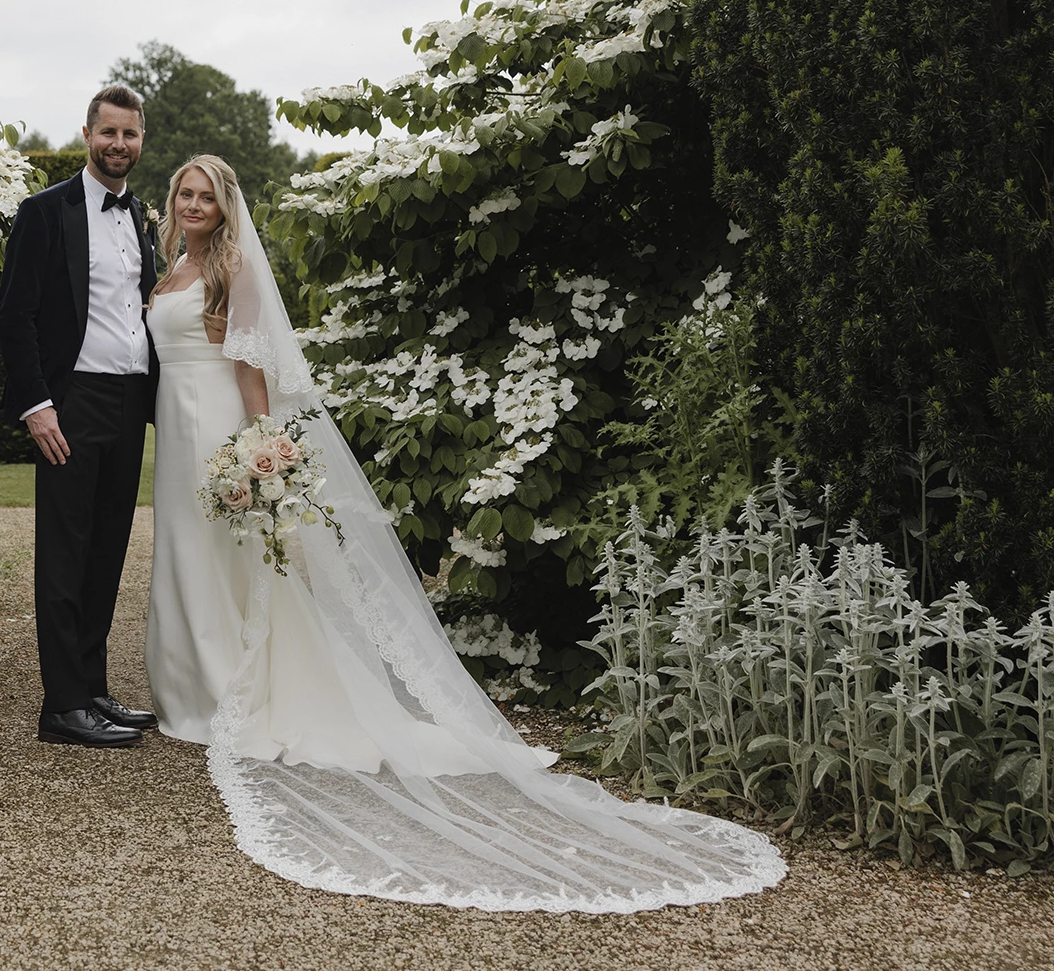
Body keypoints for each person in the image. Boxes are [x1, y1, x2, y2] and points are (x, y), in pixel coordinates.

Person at [142, 152, 789, 911]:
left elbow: (252, 370)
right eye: (184, 194)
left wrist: (265, 450)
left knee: (233, 561)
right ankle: (184, 686)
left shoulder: (232, 268)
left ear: (225, 206)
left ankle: (228, 693)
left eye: (205, 196)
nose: (192, 205)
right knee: (184, 556)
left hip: (222, 430)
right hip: (174, 432)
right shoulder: (169, 273)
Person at [0, 84, 161, 747]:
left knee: (106, 553)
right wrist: (37, 406)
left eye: (130, 135)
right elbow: (15, 316)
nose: (119, 145)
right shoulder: (45, 211)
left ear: (140, 140)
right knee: (65, 555)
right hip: (71, 403)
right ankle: (62, 706)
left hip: (128, 402)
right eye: (109, 133)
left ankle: (91, 688)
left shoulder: (144, 215)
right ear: (88, 134)